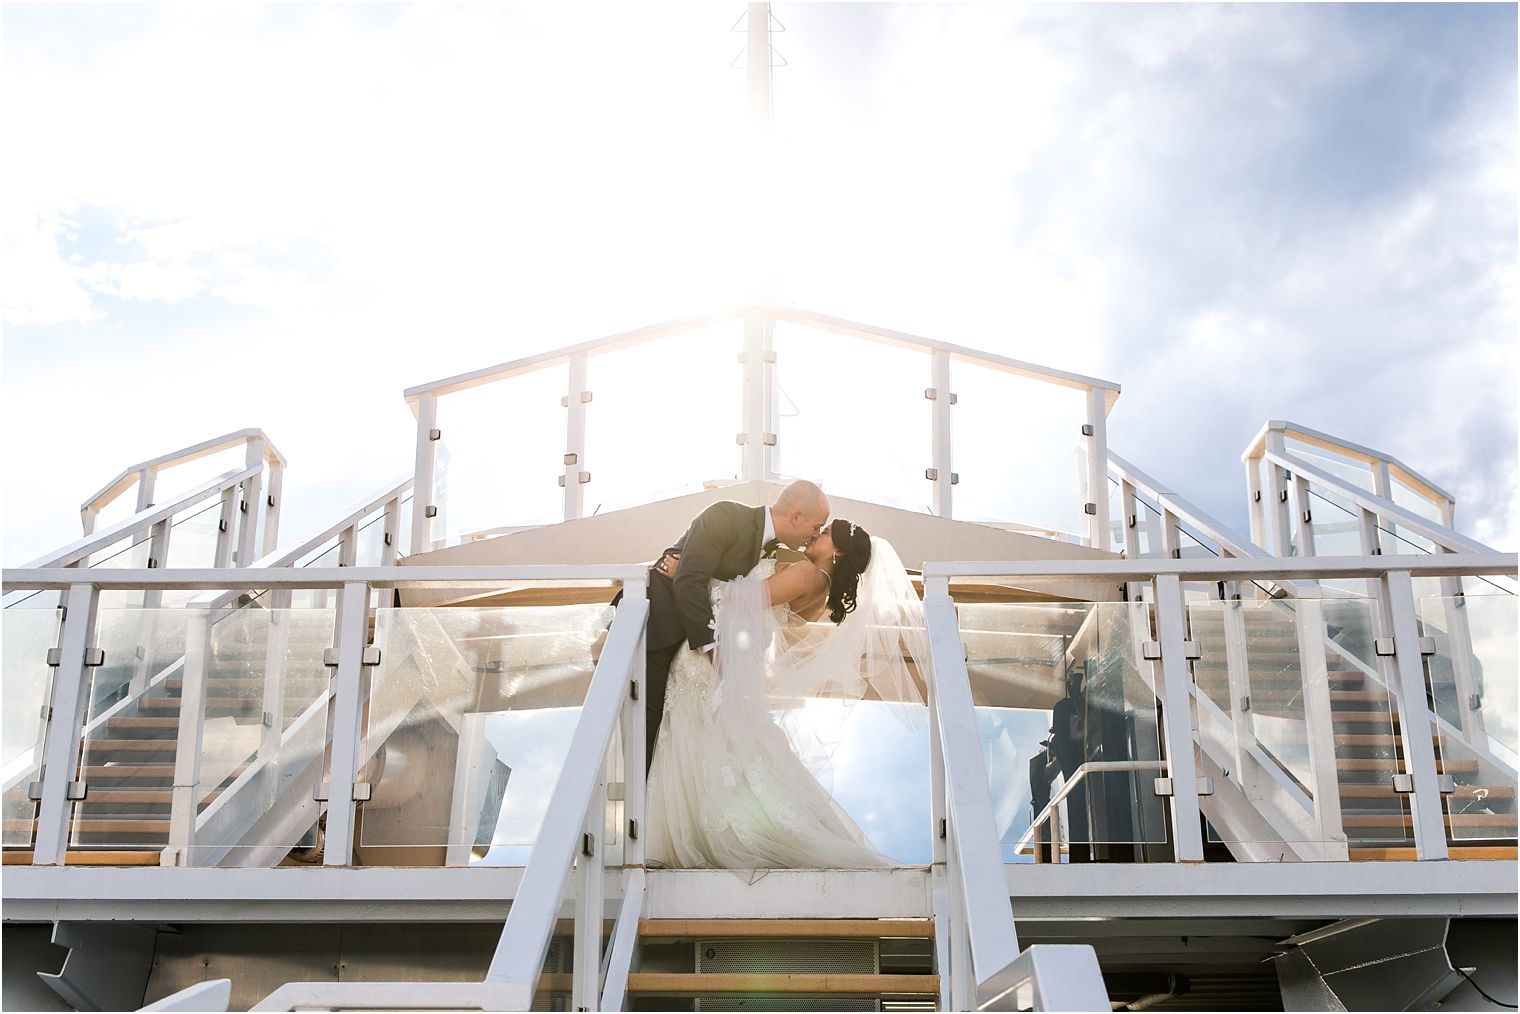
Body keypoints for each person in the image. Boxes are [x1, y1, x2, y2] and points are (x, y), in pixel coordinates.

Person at [644, 519, 927, 870]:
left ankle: (711, 832)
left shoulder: (808, 574)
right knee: (715, 741)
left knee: (699, 735)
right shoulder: (819, 589)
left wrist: (685, 572)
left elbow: (734, 599)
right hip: (731, 658)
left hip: (713, 659)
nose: (817, 533)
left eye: (825, 533)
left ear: (837, 550)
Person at [637, 481, 830, 772]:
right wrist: (716, 651)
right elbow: (688, 582)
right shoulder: (726, 516)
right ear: (796, 516)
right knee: (648, 745)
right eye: (816, 526)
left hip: (688, 652)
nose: (814, 535)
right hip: (658, 633)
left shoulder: (774, 552)